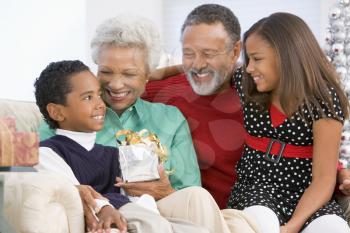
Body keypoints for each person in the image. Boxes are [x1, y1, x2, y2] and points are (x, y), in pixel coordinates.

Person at [38, 16, 258, 233]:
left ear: (147, 77)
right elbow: (33, 173)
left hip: (162, 207)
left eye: (129, 73)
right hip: (105, 212)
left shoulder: (169, 119)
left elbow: (188, 190)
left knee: (197, 197)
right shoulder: (64, 121)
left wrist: (165, 191)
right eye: (106, 71)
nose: (115, 84)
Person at [34, 60, 211, 233]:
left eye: (99, 94)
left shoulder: (114, 154)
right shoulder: (46, 152)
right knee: (154, 225)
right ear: (56, 112)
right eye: (88, 97)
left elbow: (137, 197)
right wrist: (106, 207)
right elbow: (71, 192)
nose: (100, 104)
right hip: (109, 219)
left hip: (133, 213)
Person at [226, 12, 350, 233]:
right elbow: (211, 67)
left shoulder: (325, 100)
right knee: (260, 223)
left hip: (309, 192)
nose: (248, 68)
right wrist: (160, 73)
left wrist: (293, 226)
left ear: (286, 56)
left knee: (334, 228)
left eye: (257, 58)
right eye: (248, 59)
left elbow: (323, 179)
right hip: (256, 188)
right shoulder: (247, 82)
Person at [143, 3, 245, 209]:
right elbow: (109, 86)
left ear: (235, 52)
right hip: (181, 216)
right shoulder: (163, 91)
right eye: (189, 54)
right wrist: (147, 73)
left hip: (245, 216)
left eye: (208, 54)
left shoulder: (256, 96)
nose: (197, 65)